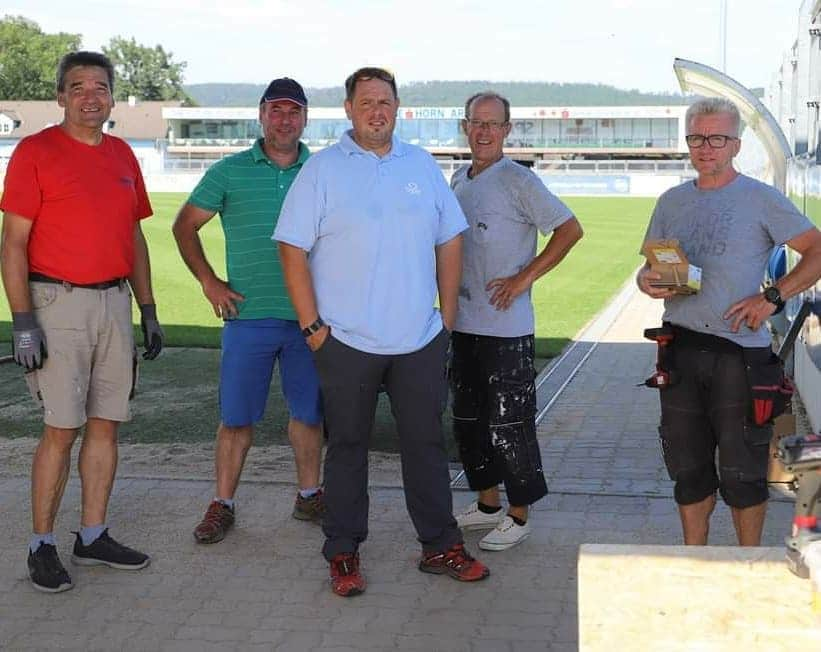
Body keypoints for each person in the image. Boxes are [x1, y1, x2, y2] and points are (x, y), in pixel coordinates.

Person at [274, 67, 489, 597]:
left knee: (426, 447)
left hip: (418, 340)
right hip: (345, 341)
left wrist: (447, 318)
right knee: (347, 448)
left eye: (386, 101)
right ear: (348, 109)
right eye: (366, 101)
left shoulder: (420, 165)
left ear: (398, 108)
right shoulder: (323, 170)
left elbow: (451, 238)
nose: (377, 111)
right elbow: (291, 247)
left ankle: (439, 544)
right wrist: (312, 326)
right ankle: (343, 551)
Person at [0, 51, 164, 593]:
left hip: (114, 302)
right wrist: (22, 320)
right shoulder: (35, 152)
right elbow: (13, 244)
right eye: (77, 87)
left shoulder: (121, 155)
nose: (90, 96)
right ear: (61, 96)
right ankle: (41, 544)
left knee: (106, 424)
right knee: (61, 428)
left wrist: (148, 308)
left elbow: (135, 237)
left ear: (113, 96)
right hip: (57, 303)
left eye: (100, 86)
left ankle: (92, 535)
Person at [636, 96, 821, 546]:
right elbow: (649, 267)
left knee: (742, 476)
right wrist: (648, 281)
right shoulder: (672, 201)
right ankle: (696, 565)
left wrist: (772, 297)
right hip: (679, 350)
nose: (706, 148)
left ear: (735, 144)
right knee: (689, 473)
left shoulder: (760, 199)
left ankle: (748, 567)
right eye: (697, 138)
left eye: (717, 138)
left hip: (740, 357)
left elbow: (817, 250)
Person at [172, 78, 324, 544]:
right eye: (275, 110)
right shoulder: (229, 171)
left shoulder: (323, 172)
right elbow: (185, 226)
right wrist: (209, 281)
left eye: (293, 111)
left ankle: (310, 495)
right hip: (248, 316)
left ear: (304, 119)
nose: (284, 119)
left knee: (310, 416)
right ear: (261, 116)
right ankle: (223, 503)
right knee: (236, 418)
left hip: (309, 319)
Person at [449, 92, 583, 551]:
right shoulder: (458, 180)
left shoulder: (518, 180)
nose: (483, 132)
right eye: (476, 123)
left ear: (507, 131)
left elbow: (569, 230)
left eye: (493, 124)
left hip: (506, 330)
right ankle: (487, 505)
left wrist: (523, 278)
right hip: (463, 325)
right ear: (465, 128)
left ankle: (519, 514)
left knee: (509, 424)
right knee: (468, 420)